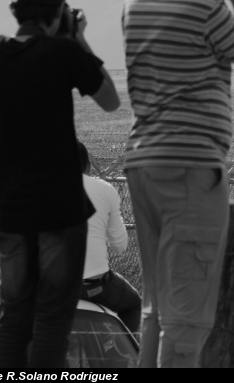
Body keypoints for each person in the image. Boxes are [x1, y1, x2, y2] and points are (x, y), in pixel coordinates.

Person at [122, 0, 234, 367]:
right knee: (188, 317)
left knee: (157, 306)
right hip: (190, 166)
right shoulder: (210, 12)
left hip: (142, 160)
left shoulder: (135, 4)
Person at [0, 0, 120, 368]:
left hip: (13, 210)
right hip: (59, 210)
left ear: (14, 10)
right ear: (59, 13)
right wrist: (77, 37)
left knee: (14, 317)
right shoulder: (64, 52)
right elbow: (110, 100)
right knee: (54, 319)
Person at [77, 140, 141, 333]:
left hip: (48, 284)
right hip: (93, 284)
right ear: (88, 165)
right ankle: (112, 353)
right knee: (132, 304)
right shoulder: (104, 189)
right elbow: (120, 245)